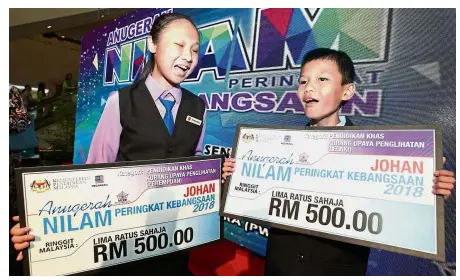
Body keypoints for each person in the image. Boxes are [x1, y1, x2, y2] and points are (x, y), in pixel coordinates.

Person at [221, 48, 456, 275]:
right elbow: (252, 198)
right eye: (303, 81)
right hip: (280, 267)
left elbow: (399, 213)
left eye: (322, 79)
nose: (309, 88)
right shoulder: (277, 148)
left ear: (347, 91)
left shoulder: (374, 151)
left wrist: (429, 193)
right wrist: (233, 177)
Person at [10, 13, 205, 276]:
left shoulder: (198, 107)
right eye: (179, 46)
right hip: (122, 241)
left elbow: (197, 164)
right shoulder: (121, 102)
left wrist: (217, 172)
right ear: (153, 44)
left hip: (176, 238)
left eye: (194, 50)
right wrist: (40, 225)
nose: (188, 57)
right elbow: (92, 175)